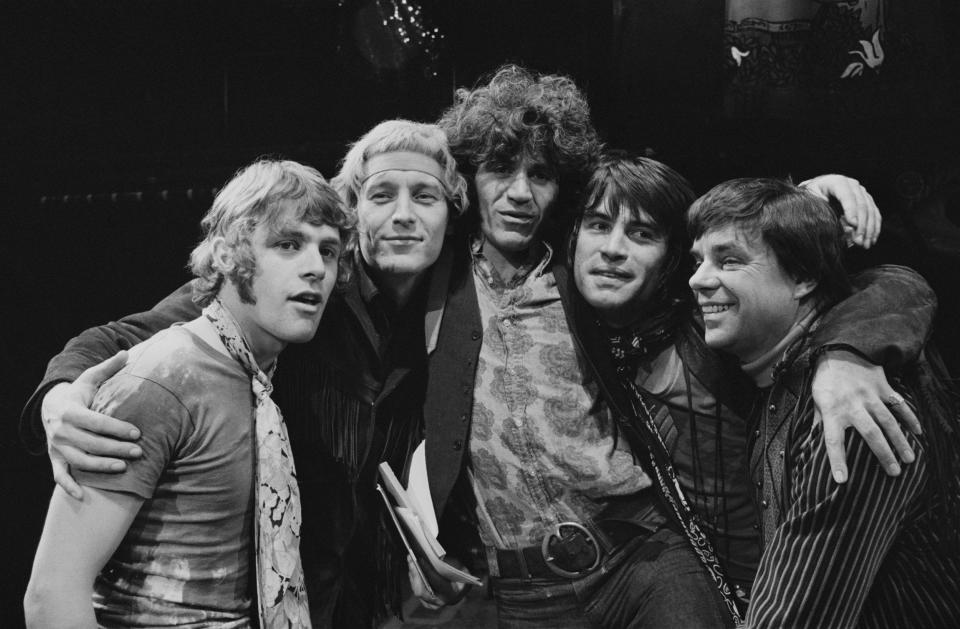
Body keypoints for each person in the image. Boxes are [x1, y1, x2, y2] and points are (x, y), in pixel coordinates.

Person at [418, 65, 932, 627]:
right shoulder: (433, 276)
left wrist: (846, 348)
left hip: (646, 556)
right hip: (522, 590)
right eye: (498, 167)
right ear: (469, 174)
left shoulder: (586, 279)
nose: (519, 191)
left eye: (540, 174)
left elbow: (875, 282)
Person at [20, 120, 467, 628]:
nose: (403, 215)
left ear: (450, 219)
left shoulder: (455, 314)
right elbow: (133, 339)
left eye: (425, 196)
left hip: (353, 601)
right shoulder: (281, 304)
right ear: (356, 211)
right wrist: (59, 399)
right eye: (383, 194)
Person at [567, 153, 936, 619]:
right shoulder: (587, 319)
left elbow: (890, 283)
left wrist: (846, 353)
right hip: (729, 589)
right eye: (597, 225)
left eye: (643, 233)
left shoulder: (715, 329)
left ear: (669, 257)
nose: (614, 248)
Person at [24, 159, 353, 628]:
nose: (315, 268)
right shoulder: (163, 377)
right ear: (226, 254)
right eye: (288, 244)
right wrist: (57, 395)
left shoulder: (254, 374)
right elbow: (51, 596)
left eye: (328, 250)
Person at [687, 178, 960, 628]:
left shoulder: (853, 410)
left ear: (803, 278)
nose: (698, 279)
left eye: (729, 260)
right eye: (698, 261)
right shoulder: (780, 379)